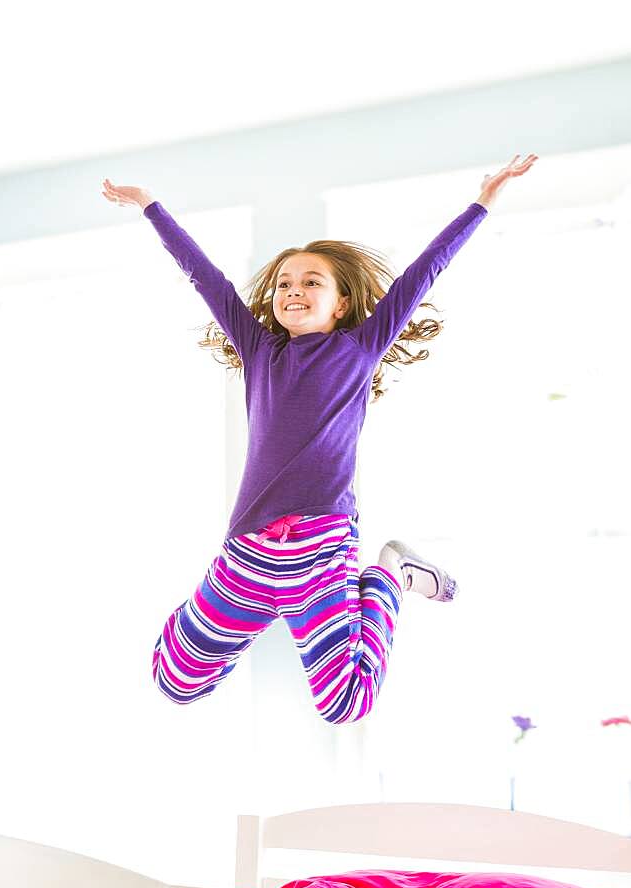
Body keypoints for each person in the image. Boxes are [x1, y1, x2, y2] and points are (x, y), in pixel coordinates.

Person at [101, 153, 538, 724]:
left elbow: (426, 270)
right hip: (248, 553)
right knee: (174, 681)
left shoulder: (359, 348)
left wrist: (481, 203)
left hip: (320, 552)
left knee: (347, 706)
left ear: (344, 304)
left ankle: (392, 574)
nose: (293, 290)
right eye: (284, 283)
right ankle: (224, 627)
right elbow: (202, 274)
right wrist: (150, 207)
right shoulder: (259, 351)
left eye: (312, 282)